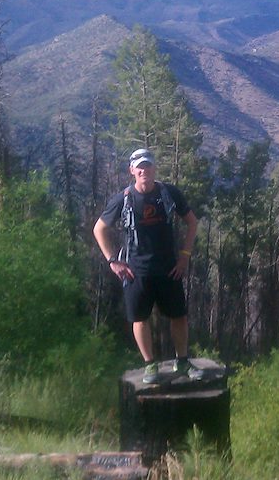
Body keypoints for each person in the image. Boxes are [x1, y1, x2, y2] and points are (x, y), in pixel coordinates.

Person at [94, 148, 204, 383]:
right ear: (132, 171)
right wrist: (113, 261)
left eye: (148, 166)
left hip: (169, 268)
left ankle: (182, 363)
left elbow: (192, 222)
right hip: (136, 271)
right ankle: (150, 365)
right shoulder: (123, 198)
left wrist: (184, 256)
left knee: (179, 316)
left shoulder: (169, 193)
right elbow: (99, 229)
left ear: (154, 168)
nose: (144, 170)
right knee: (139, 319)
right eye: (139, 167)